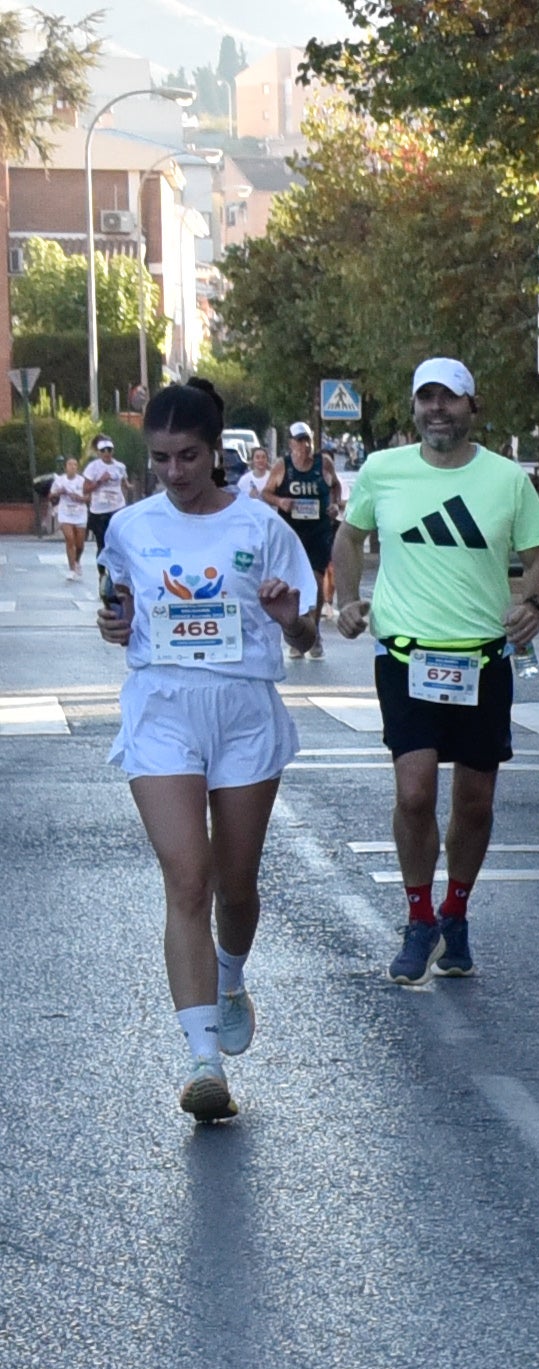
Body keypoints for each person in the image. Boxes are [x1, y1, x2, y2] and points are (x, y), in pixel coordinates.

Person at [94, 377, 319, 1120]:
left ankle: (229, 975)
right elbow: (118, 608)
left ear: (214, 451)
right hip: (162, 706)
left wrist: (291, 621)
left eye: (187, 456)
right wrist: (114, 623)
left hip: (244, 710)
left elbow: (306, 633)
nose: (173, 472)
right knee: (186, 878)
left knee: (235, 885)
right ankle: (203, 1062)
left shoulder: (262, 527)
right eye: (160, 458)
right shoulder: (130, 527)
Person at [332, 357, 539, 985]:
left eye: (450, 398)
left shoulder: (506, 479)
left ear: (472, 407)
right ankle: (418, 918)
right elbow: (349, 538)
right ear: (413, 408)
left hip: (482, 658)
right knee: (414, 792)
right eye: (426, 398)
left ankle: (455, 912)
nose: (438, 409)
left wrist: (536, 604)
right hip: (406, 656)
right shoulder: (383, 470)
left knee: (475, 803)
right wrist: (346, 599)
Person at [272, 421, 343, 650]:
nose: (305, 445)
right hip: (292, 532)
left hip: (318, 530)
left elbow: (335, 486)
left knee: (316, 580)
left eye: (308, 440)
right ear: (291, 443)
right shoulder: (283, 466)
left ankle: (314, 630)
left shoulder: (324, 463)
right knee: (294, 583)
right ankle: (298, 632)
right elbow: (266, 492)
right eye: (300, 440)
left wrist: (334, 505)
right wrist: (280, 501)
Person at [82, 436, 130, 562]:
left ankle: (115, 568)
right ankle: (102, 569)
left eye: (109, 449)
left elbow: (125, 484)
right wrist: (100, 481)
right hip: (99, 511)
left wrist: (129, 487)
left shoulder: (120, 466)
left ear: (113, 451)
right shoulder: (93, 467)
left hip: (117, 507)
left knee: (118, 541)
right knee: (102, 544)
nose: (107, 453)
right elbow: (85, 489)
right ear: (99, 453)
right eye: (103, 450)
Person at [49, 456, 88, 579]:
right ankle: (72, 569)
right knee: (70, 539)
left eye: (75, 465)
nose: (72, 467)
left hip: (80, 513)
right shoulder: (59, 481)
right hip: (65, 513)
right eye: (70, 464)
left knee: (80, 544)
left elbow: (89, 497)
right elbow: (51, 496)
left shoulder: (82, 481)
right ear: (65, 467)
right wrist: (59, 492)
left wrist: (78, 498)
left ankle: (77, 561)